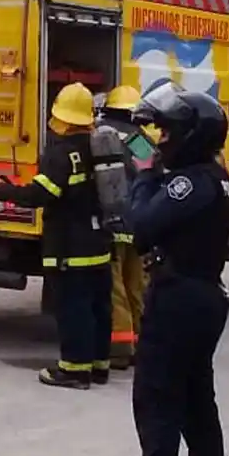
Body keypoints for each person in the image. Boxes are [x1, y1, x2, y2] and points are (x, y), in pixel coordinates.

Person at [115, 84, 229, 456]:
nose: (157, 140)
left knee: (157, 400)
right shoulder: (215, 177)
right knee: (195, 400)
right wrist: (148, 153)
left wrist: (144, 173)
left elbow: (141, 227)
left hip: (179, 295)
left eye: (165, 132)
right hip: (202, 295)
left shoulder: (192, 183)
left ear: (189, 136)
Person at [0, 82, 112, 390]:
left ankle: (73, 370)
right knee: (98, 307)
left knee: (73, 308)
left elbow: (41, 194)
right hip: (99, 244)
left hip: (69, 248)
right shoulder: (98, 146)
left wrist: (3, 190)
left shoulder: (61, 153)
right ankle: (99, 366)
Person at [95, 85, 146, 372]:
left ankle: (119, 348)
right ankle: (141, 344)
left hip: (111, 224)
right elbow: (154, 173)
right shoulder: (140, 140)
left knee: (113, 289)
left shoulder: (100, 134)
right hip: (138, 224)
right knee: (136, 286)